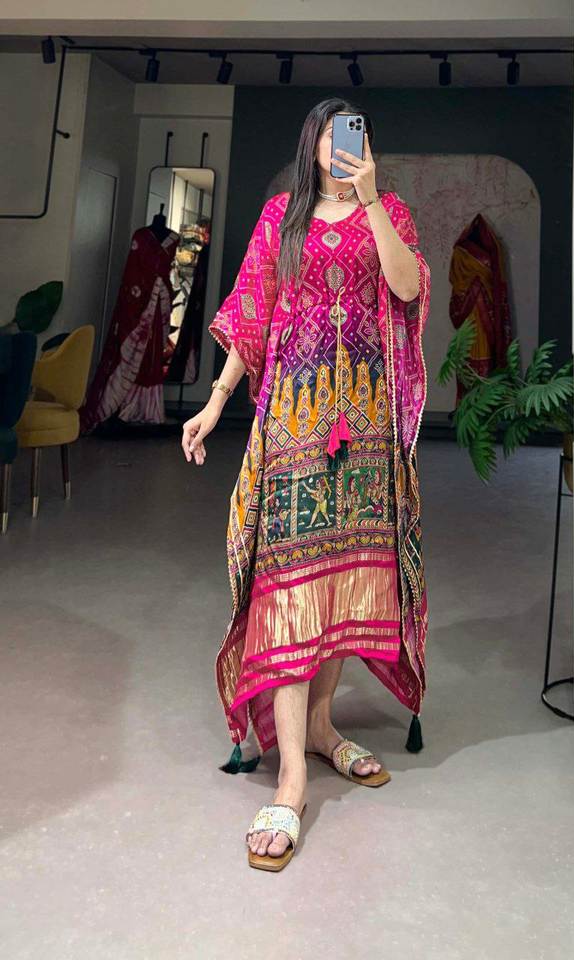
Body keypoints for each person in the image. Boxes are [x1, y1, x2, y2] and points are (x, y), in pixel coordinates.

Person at [181, 98, 430, 871]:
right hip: (293, 424)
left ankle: (321, 728)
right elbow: (254, 314)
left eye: (356, 131)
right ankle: (291, 779)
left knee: (343, 583)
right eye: (331, 131)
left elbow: (407, 289)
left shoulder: (390, 211)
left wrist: (371, 201)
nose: (343, 143)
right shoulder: (280, 217)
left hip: (365, 432)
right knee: (286, 587)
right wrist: (216, 402)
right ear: (311, 143)